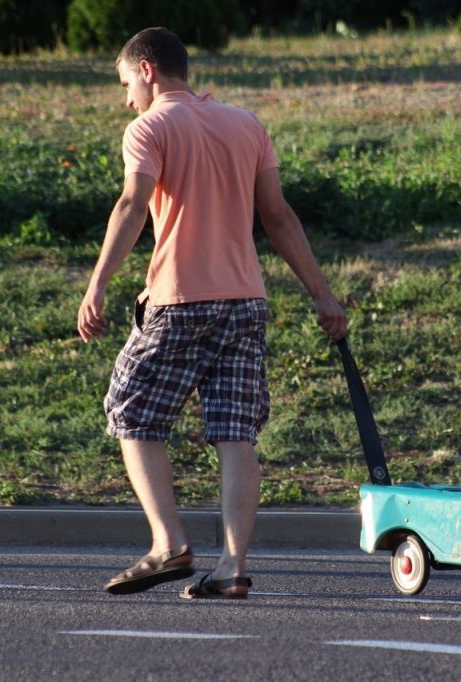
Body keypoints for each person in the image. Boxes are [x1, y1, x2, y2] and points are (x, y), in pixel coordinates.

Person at [76, 27, 347, 600]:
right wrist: (322, 295)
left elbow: (131, 204)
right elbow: (278, 217)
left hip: (180, 300)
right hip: (247, 302)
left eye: (125, 85)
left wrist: (97, 285)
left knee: (130, 410)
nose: (127, 100)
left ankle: (168, 543)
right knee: (234, 431)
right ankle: (231, 567)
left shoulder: (149, 128)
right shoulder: (246, 124)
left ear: (147, 70)